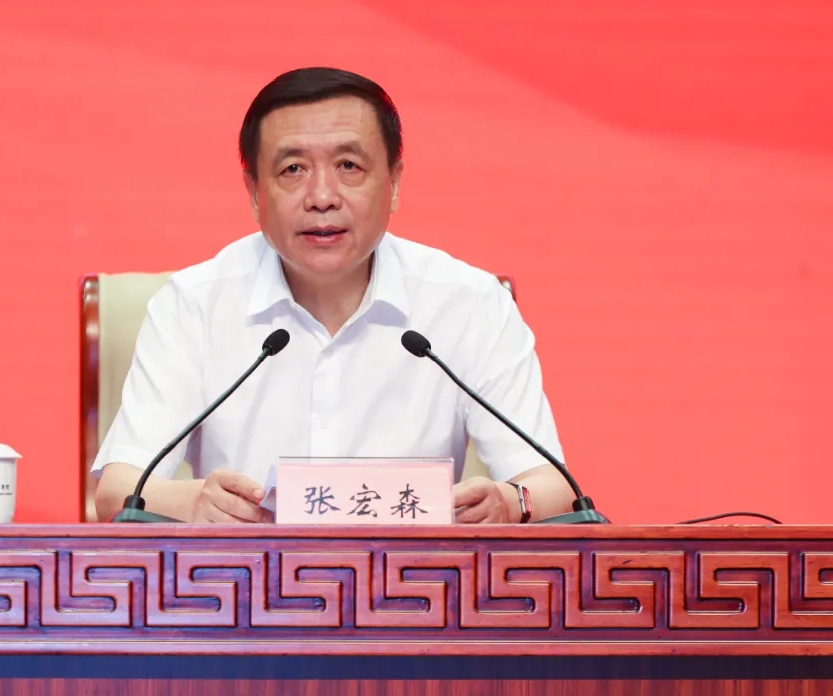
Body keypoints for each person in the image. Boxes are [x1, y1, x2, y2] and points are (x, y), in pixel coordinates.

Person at [92, 67, 576, 524]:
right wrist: (195, 501)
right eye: (293, 169)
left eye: (348, 166)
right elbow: (119, 489)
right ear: (254, 192)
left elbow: (554, 486)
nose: (322, 196)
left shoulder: (469, 303)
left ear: (394, 184)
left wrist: (511, 502)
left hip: (415, 577)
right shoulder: (194, 305)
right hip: (246, 577)